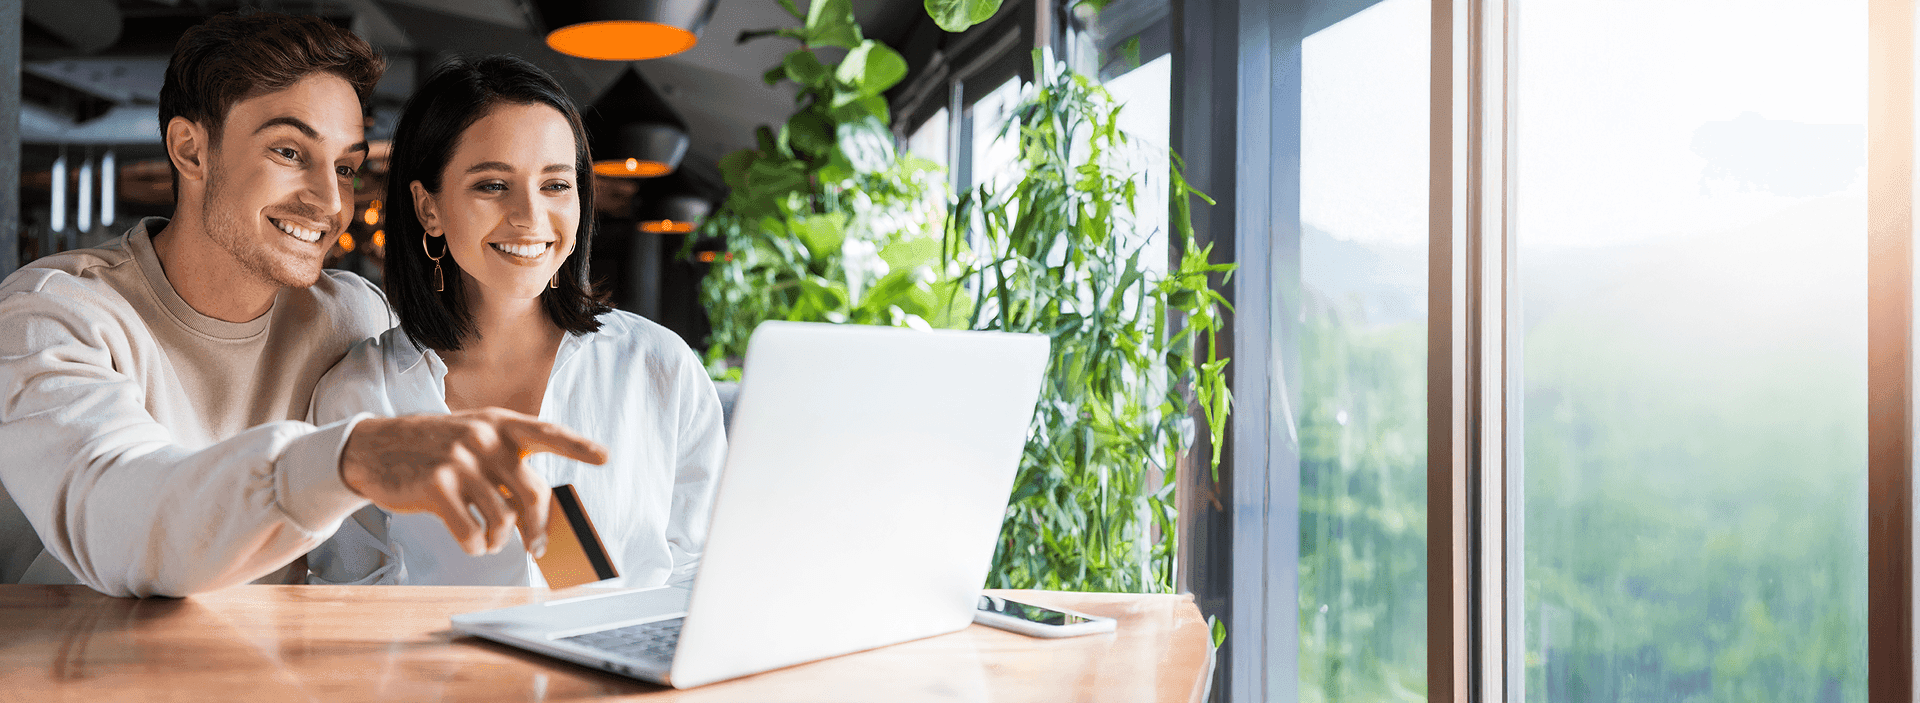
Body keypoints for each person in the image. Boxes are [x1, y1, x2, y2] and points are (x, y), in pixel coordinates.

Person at [0, 13, 606, 598]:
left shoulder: (350, 317)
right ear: (190, 150)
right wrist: (351, 459)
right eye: (289, 152)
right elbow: (126, 523)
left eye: (345, 167)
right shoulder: (52, 318)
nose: (327, 201)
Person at [305, 56, 726, 587]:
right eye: (492, 186)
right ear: (428, 207)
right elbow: (350, 597)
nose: (530, 217)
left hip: (624, 665)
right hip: (445, 670)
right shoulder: (362, 392)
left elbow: (699, 577)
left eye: (555, 185)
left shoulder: (661, 366)